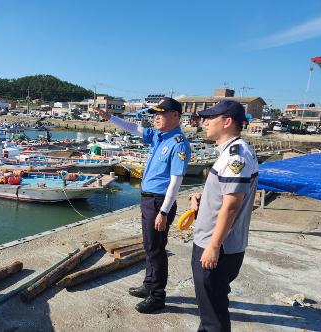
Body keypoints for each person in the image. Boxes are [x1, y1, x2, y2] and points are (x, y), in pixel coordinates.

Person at [96, 97, 191, 313]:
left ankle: (157, 296)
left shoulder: (179, 144)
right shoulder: (159, 136)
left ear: (175, 116)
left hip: (159, 202)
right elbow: (133, 127)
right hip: (148, 199)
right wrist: (109, 117)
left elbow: (176, 182)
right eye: (155, 113)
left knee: (156, 250)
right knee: (150, 247)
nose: (157, 117)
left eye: (162, 113)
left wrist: (164, 211)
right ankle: (149, 285)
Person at [190, 100, 259, 331]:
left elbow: (231, 206)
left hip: (217, 247)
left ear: (227, 121)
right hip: (218, 244)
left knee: (214, 314)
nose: (205, 122)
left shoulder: (235, 157)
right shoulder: (231, 152)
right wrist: (205, 198)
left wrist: (213, 246)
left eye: (211, 118)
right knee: (209, 306)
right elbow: (225, 195)